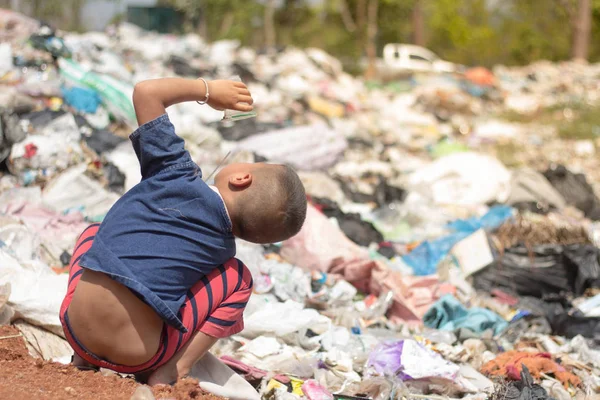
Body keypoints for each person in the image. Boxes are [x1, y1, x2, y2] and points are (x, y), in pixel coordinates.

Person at [59, 77, 307, 386]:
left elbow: (146, 92)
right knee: (239, 280)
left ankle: (82, 358)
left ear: (242, 178)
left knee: (93, 233)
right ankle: (171, 371)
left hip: (76, 329)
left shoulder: (173, 171)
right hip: (139, 356)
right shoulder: (223, 255)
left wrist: (208, 91)